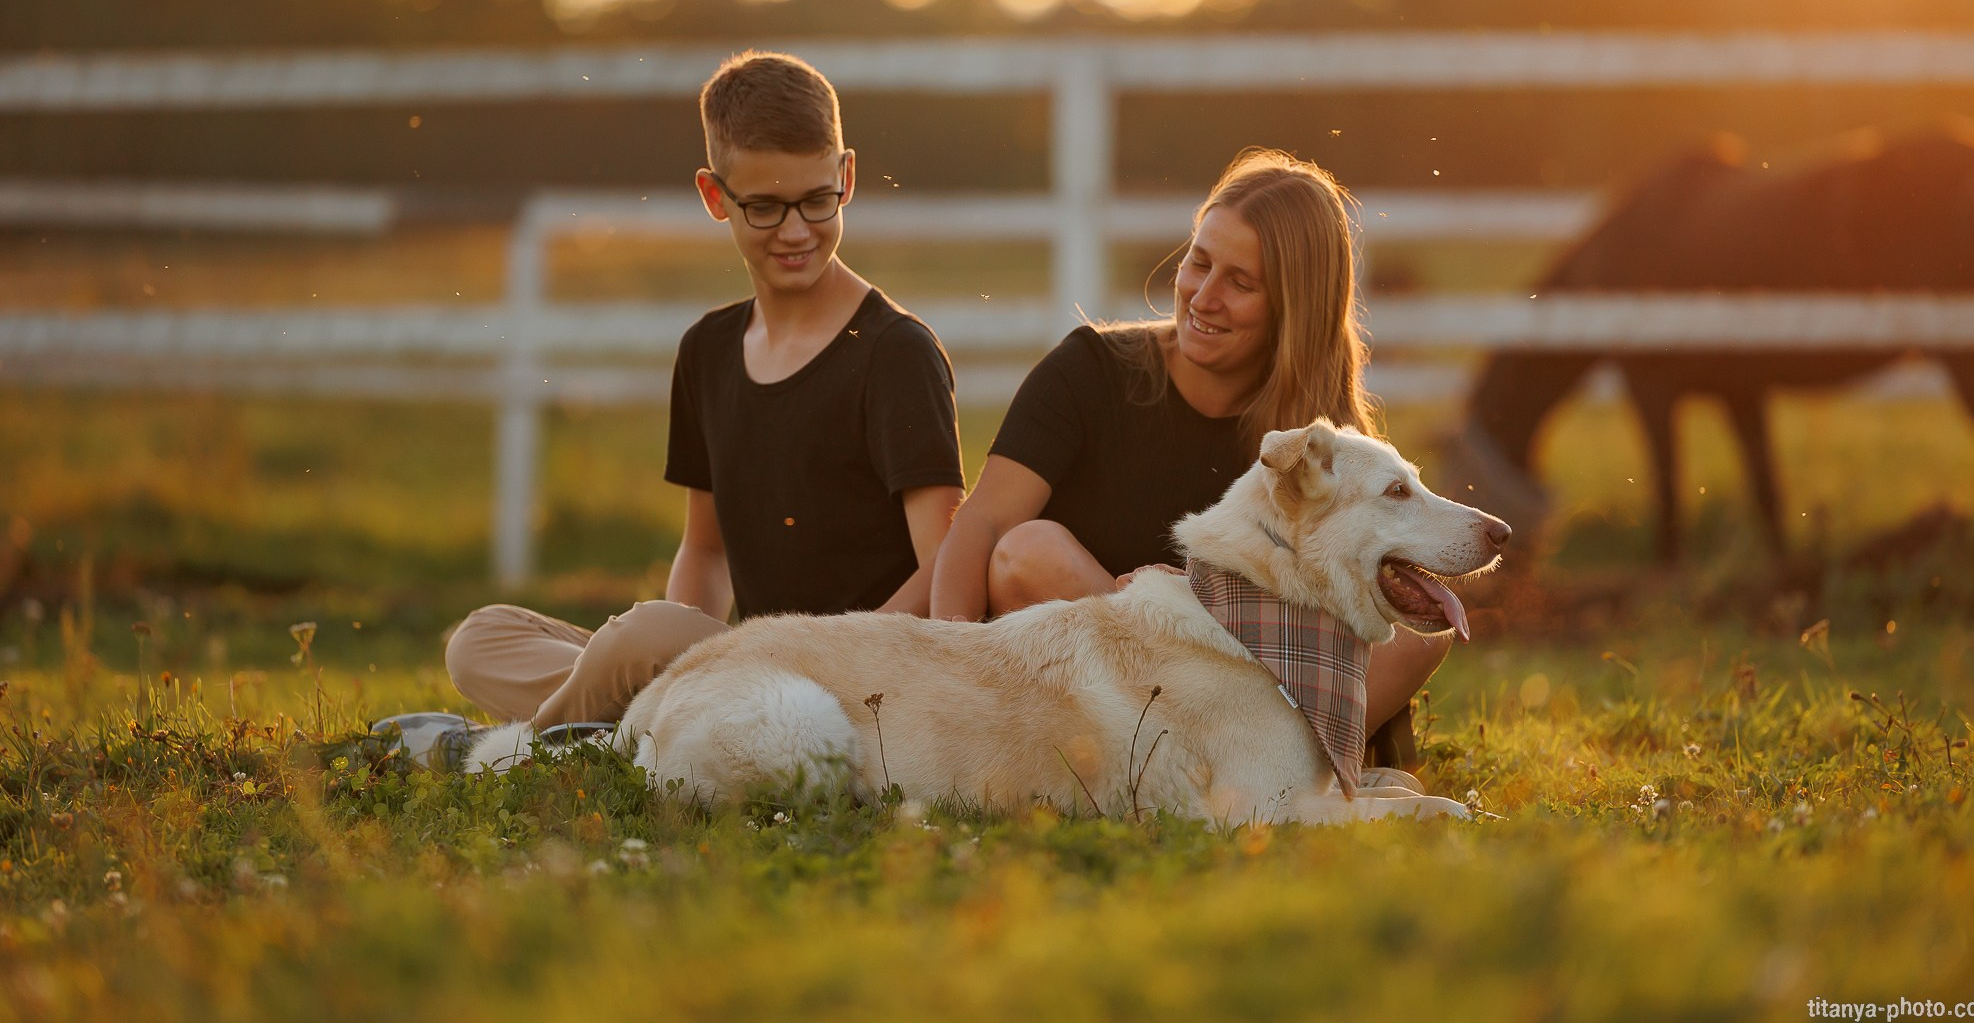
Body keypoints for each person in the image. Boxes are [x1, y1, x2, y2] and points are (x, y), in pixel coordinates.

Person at [377, 51, 965, 768]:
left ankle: (519, 753)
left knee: (642, 638)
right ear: (715, 196)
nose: (796, 230)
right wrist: (684, 654)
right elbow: (708, 549)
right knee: (481, 639)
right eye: (764, 206)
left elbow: (946, 567)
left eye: (817, 198)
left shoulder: (896, 352)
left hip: (854, 683)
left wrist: (817, 652)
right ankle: (620, 730)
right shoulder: (709, 350)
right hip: (740, 669)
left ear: (846, 175)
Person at [927, 147, 1447, 763]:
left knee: (1421, 638)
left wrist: (1199, 601)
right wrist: (943, 677)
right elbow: (982, 524)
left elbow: (1342, 604)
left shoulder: (1322, 443)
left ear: (1293, 305)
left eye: (1241, 283)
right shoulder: (1088, 370)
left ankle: (1259, 770)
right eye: (1199, 263)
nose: (1203, 297)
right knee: (1027, 553)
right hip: (1093, 685)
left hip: (1235, 689)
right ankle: (1221, 771)